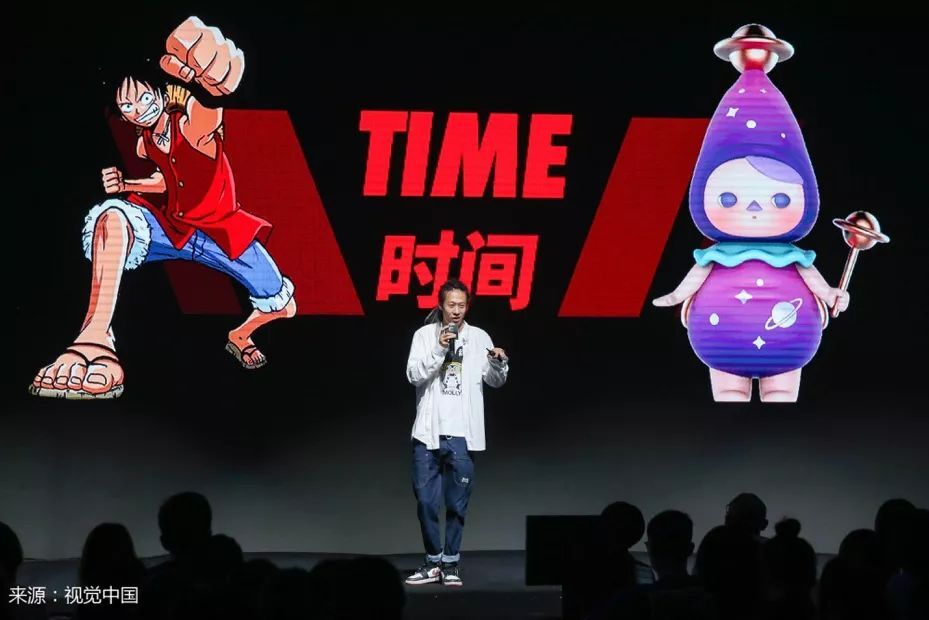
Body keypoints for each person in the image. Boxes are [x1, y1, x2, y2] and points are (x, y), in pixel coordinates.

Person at [29, 16, 295, 400]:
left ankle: (240, 335)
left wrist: (210, 80)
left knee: (282, 303)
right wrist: (127, 186)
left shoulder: (191, 125)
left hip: (222, 233)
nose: (138, 109)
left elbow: (210, 106)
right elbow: (166, 180)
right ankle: (94, 336)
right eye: (127, 105)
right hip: (172, 229)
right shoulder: (145, 142)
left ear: (159, 92)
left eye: (142, 98)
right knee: (112, 216)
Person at [404, 279, 508, 587]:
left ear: (467, 306)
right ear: (441, 305)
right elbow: (413, 375)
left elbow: (495, 381)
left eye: (462, 305)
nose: (457, 311)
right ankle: (432, 562)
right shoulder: (424, 335)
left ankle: (450, 564)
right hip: (428, 433)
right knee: (426, 501)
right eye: (451, 305)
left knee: (457, 504)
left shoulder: (479, 337)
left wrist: (499, 364)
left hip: (463, 434)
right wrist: (439, 347)